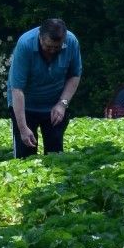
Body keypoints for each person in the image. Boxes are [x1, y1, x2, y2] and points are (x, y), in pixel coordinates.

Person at [7, 18, 82, 158]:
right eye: (48, 47)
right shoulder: (25, 44)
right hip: (24, 105)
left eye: (57, 47)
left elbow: (75, 75)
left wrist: (62, 104)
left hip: (55, 105)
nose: (52, 51)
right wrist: (23, 128)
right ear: (40, 37)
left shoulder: (72, 42)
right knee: (25, 154)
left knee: (55, 153)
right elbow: (17, 89)